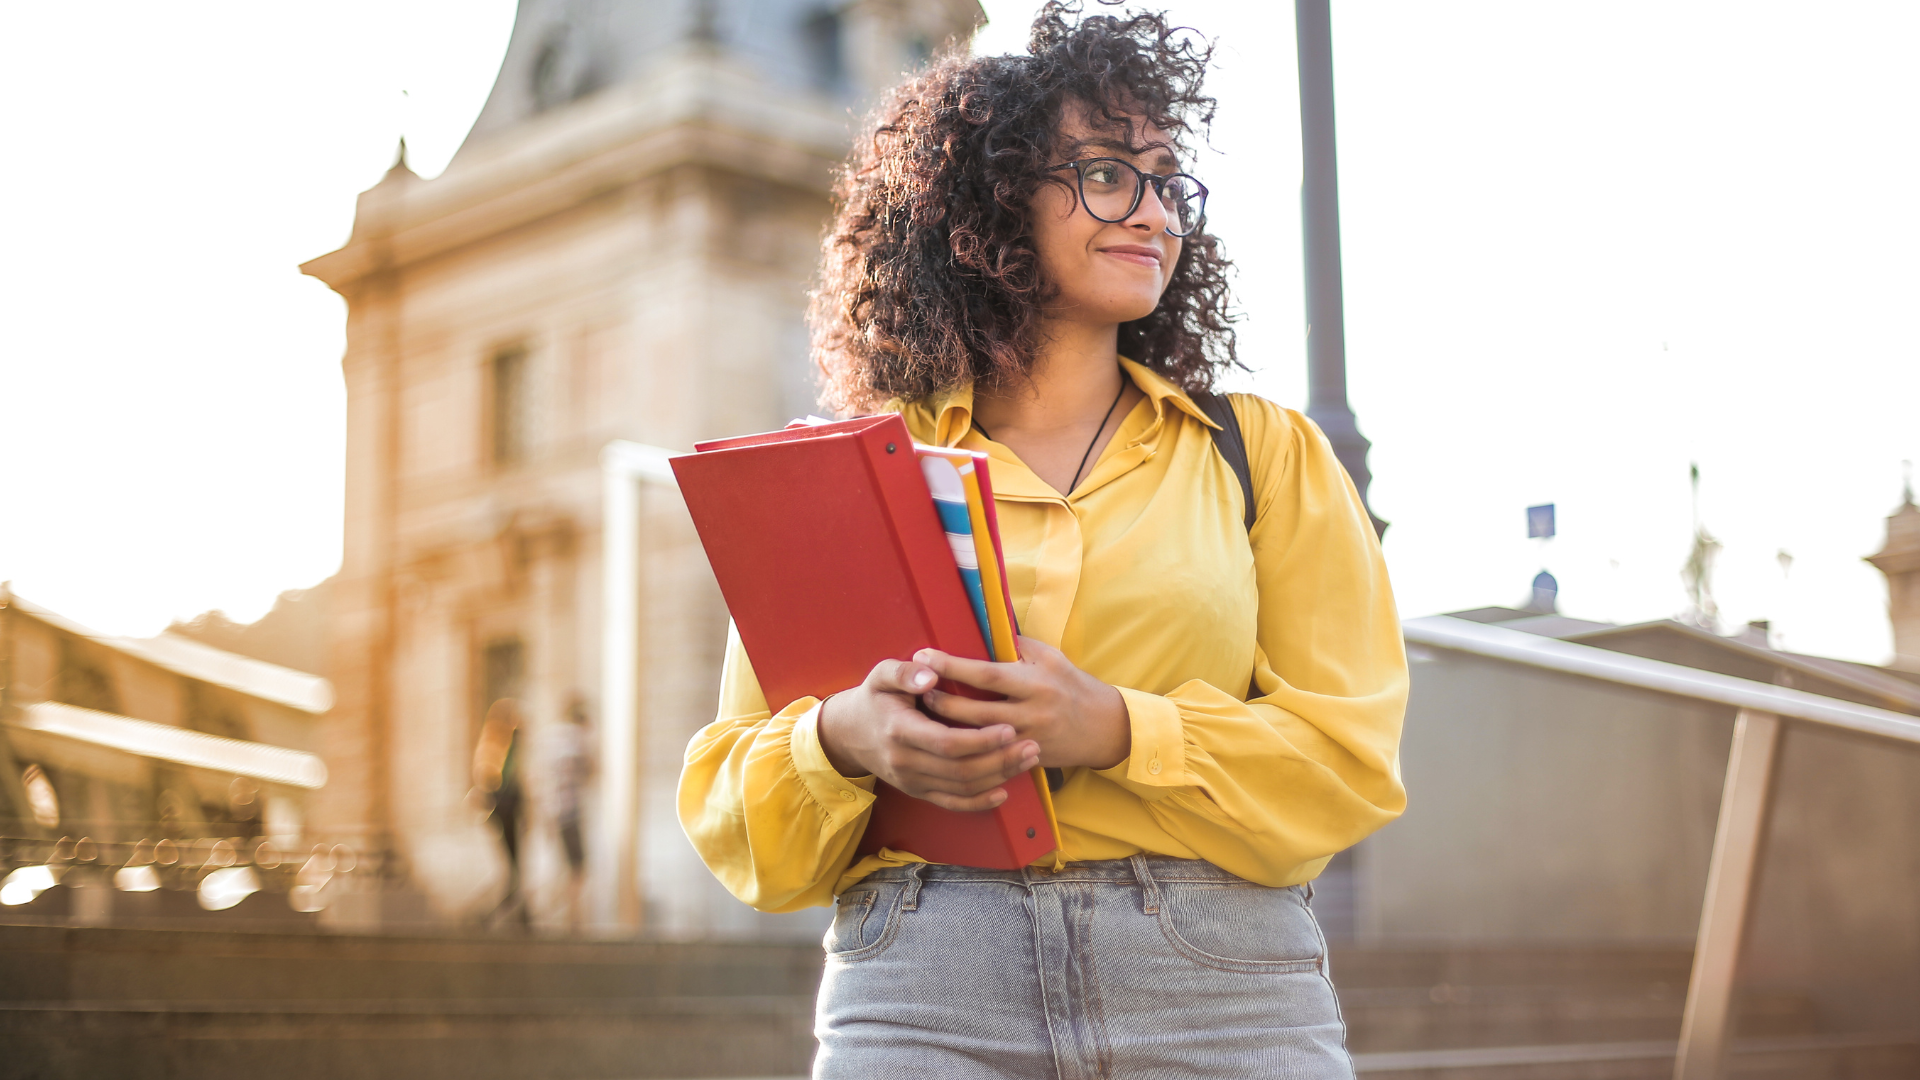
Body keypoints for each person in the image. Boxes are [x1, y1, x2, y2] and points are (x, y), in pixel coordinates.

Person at [679, 5, 1407, 1076]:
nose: (1154, 211)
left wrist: (1117, 728)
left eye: (1167, 181)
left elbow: (1348, 765)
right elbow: (737, 802)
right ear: (990, 198)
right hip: (923, 984)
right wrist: (842, 738)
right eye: (1108, 174)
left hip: (1218, 986)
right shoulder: (853, 474)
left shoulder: (1265, 455)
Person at [471, 698, 527, 927]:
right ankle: (509, 911)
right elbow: (487, 777)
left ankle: (520, 912)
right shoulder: (494, 745)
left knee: (514, 862)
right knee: (510, 863)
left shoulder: (509, 744)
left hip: (510, 808)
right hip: (503, 808)